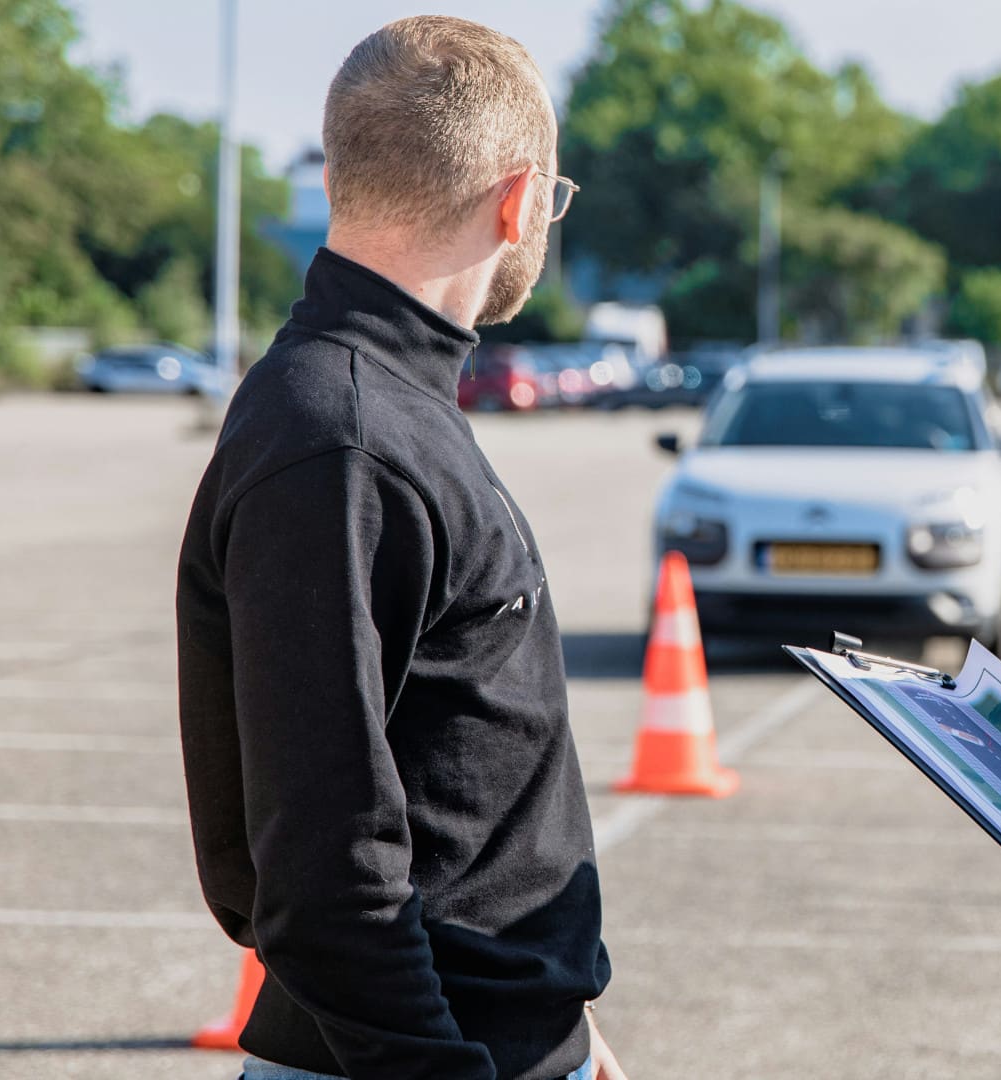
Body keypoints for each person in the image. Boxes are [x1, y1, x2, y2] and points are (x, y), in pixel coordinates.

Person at [175, 17, 622, 1080]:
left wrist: (571, 1030)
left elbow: (453, 787)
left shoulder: (384, 406)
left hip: (499, 1043)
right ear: (518, 202)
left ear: (341, 175)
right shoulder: (341, 438)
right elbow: (326, 879)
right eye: (553, 202)